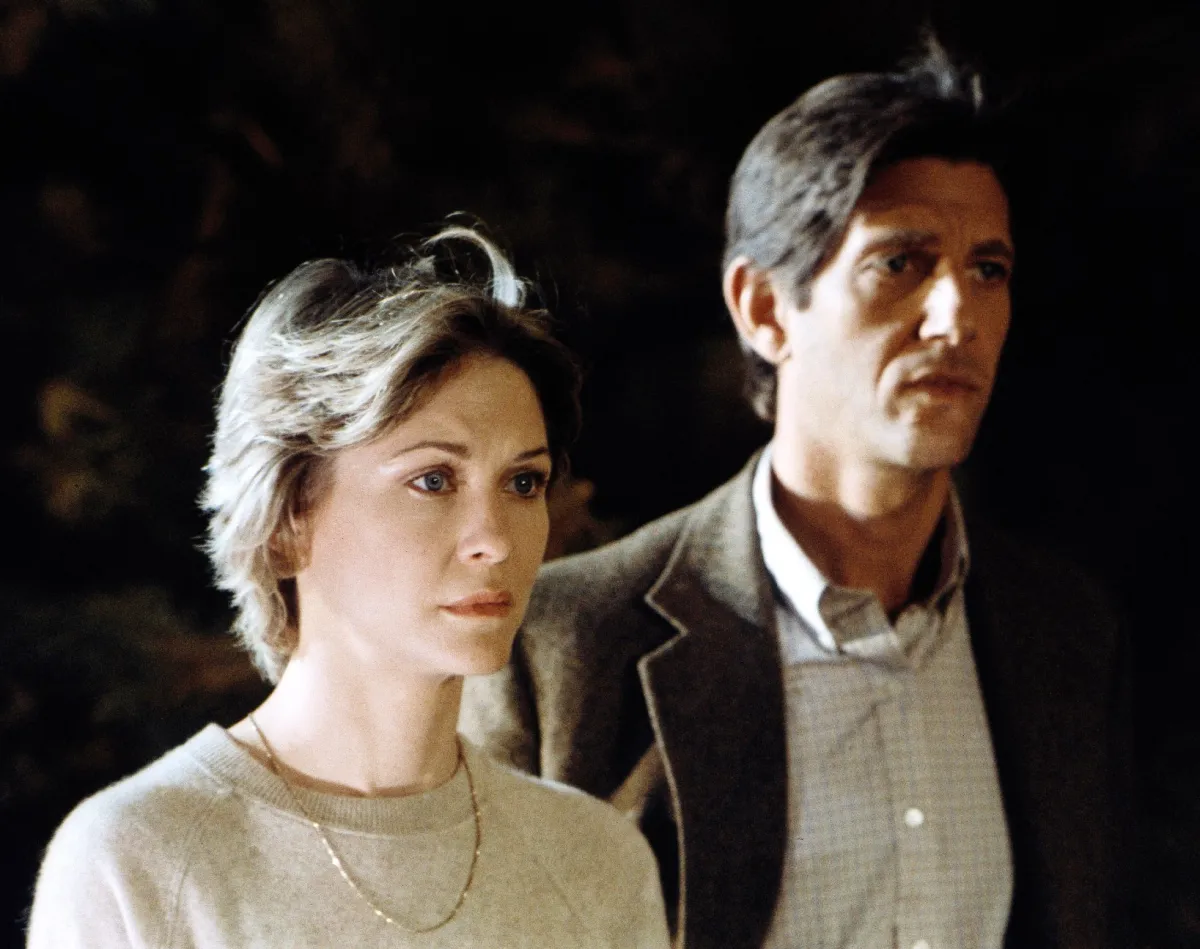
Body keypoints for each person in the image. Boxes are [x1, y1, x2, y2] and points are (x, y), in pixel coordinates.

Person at [460, 44, 1131, 949]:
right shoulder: (563, 649)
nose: (958, 318)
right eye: (901, 262)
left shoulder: (1063, 633)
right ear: (765, 309)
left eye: (988, 269)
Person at [26, 226, 672, 949]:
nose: (496, 538)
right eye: (434, 480)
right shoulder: (134, 860)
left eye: (523, 482)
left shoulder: (596, 862)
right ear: (286, 521)